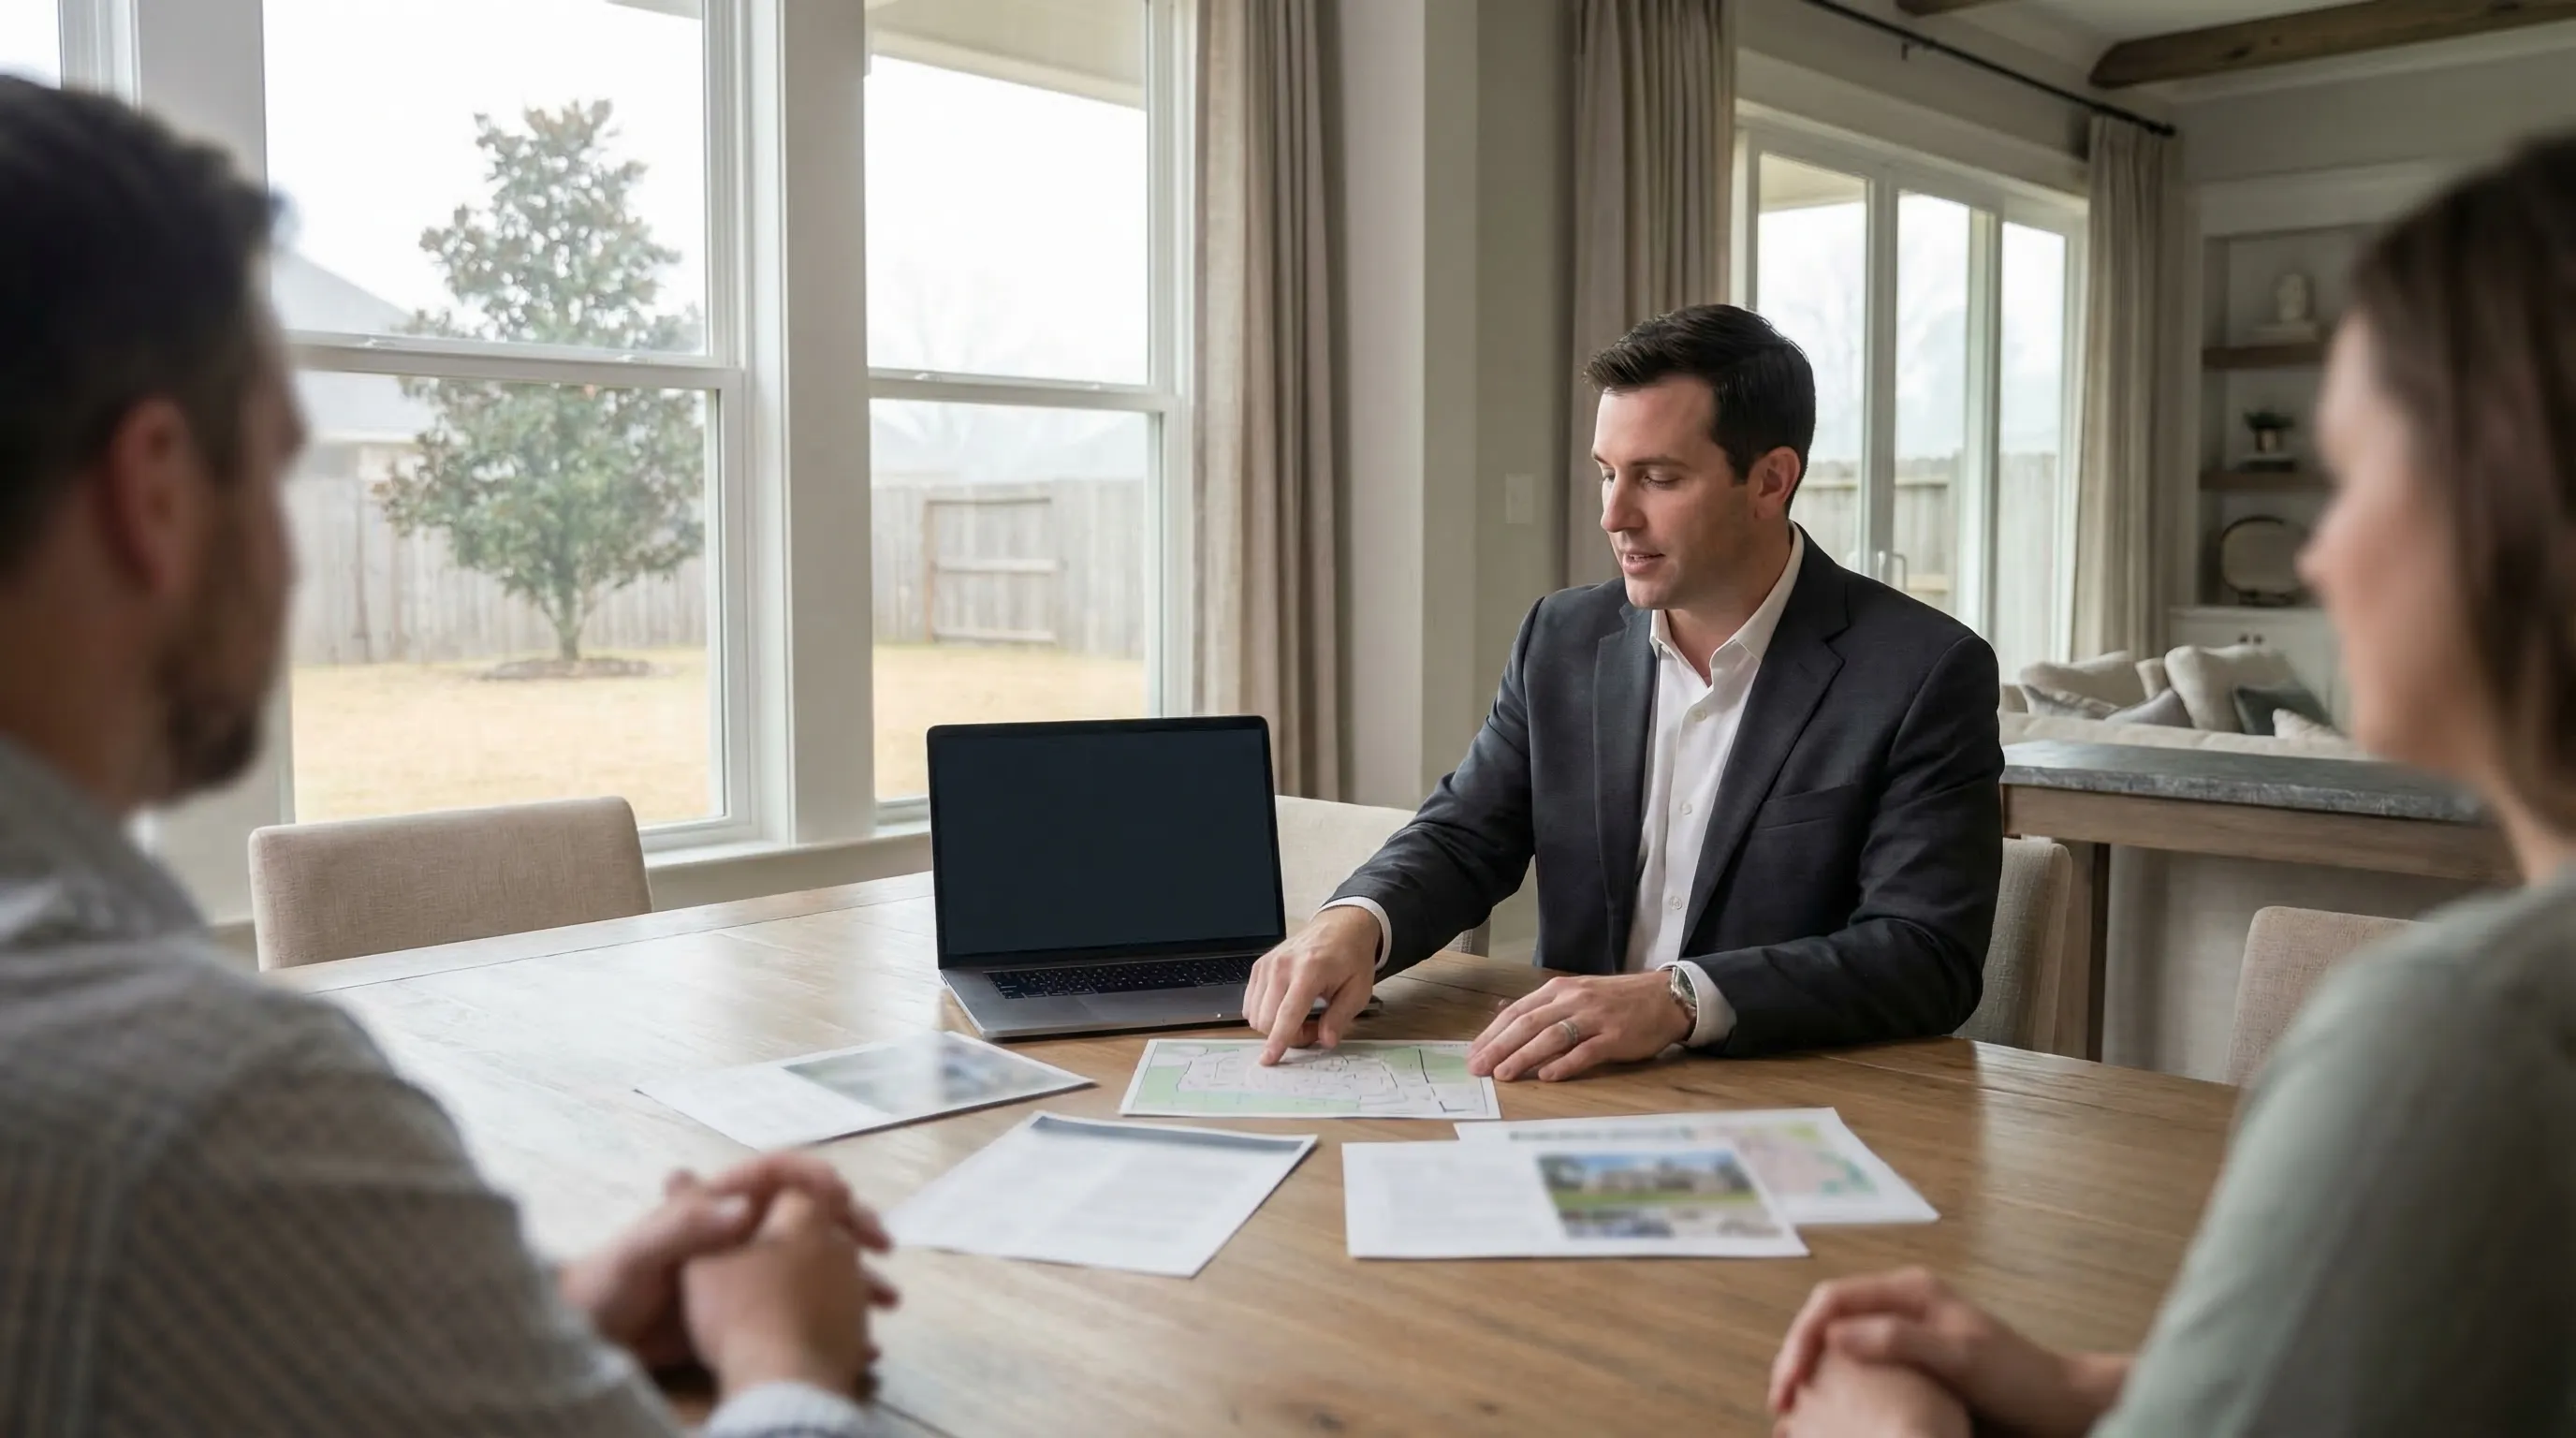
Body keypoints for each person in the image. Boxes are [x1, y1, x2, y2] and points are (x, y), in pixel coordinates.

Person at [0, 78, 897, 1435]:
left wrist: (550, 1314)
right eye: (280, 470)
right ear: (159, 489)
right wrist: (787, 1357)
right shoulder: (210, 1118)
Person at [1766, 134, 2576, 1437]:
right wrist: (2093, 1387)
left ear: (2515, 512)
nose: (2320, 557)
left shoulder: (2466, 1038)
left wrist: (1878, 1420)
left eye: (2361, 474)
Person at [1246, 303, 2004, 1080]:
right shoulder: (1562, 637)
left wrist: (1679, 999)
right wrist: (1353, 922)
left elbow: (1927, 954)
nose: (1615, 515)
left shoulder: (1925, 671)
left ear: (1772, 480)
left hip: (1795, 1090)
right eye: (1608, 473)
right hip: (1569, 1083)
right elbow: (1465, 834)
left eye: (1659, 478)